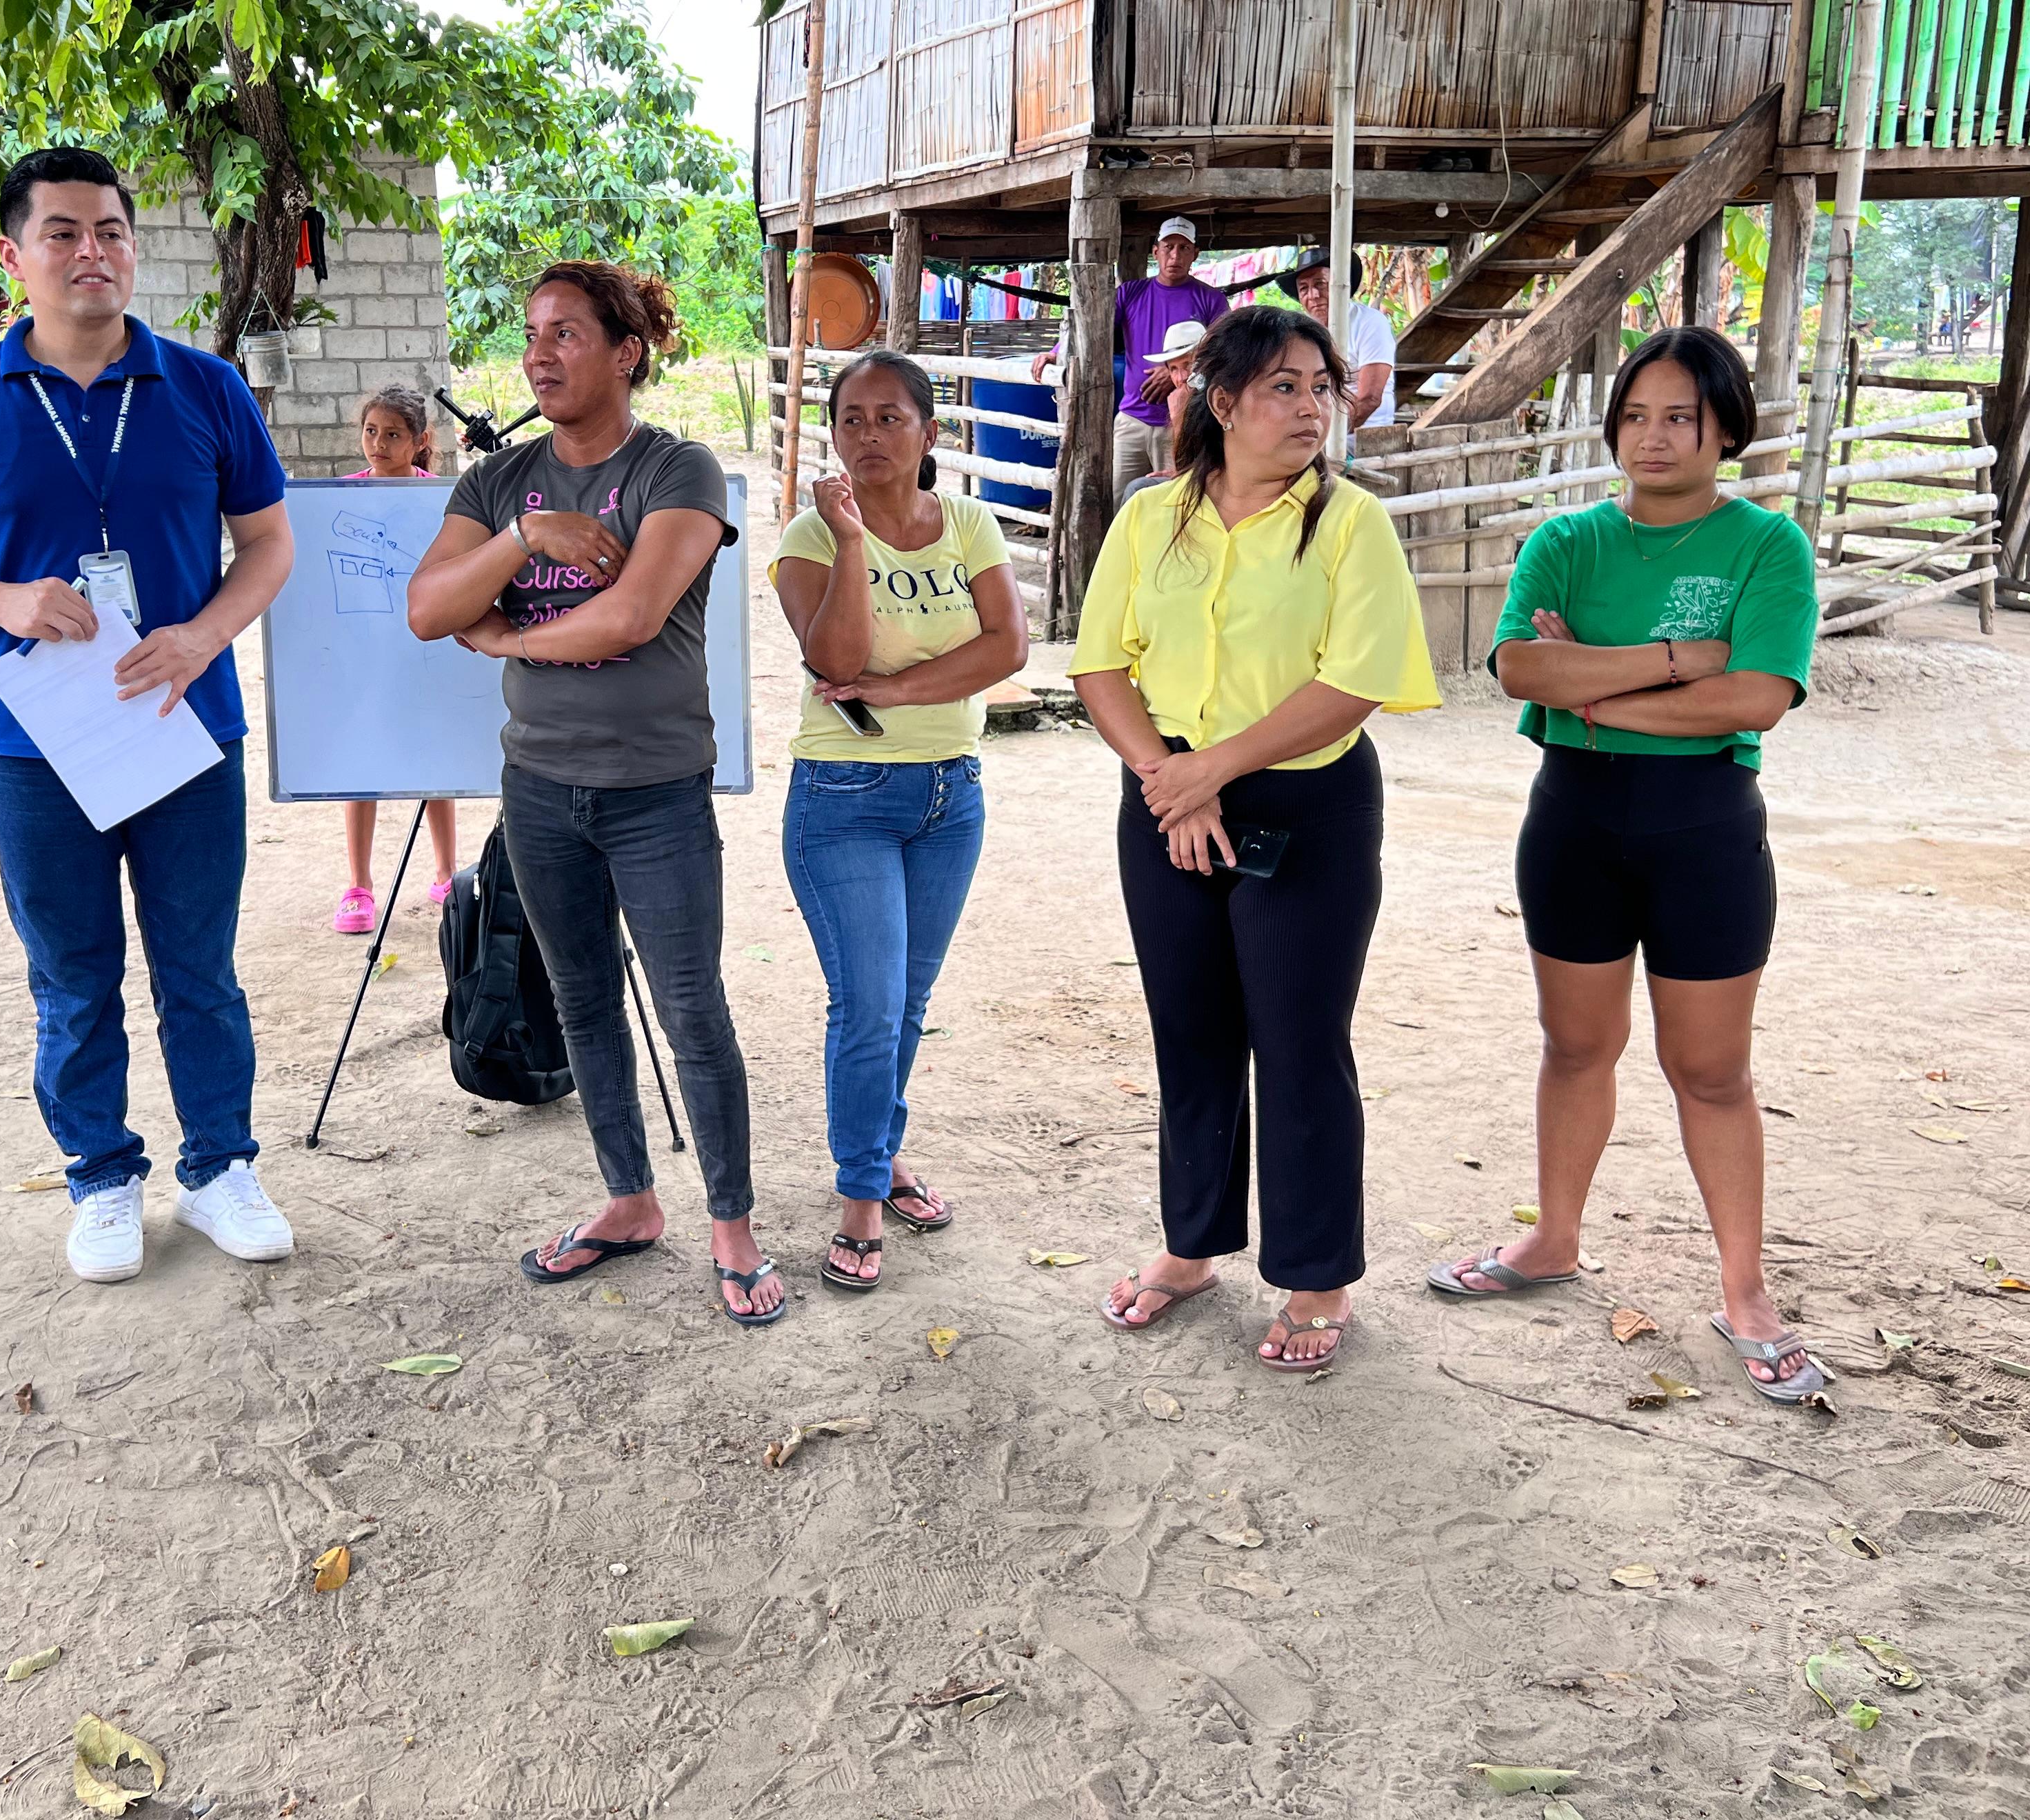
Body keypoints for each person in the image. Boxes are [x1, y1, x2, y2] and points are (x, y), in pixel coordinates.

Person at [0, 146, 297, 1283]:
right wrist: (0, 598)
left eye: (109, 229)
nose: (90, 251)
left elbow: (268, 545)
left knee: (200, 967)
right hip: (35, 744)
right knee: (72, 971)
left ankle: (219, 1168)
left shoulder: (205, 388)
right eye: (61, 232)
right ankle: (103, 1177)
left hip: (185, 725)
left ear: (133, 248)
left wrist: (203, 634)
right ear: (13, 258)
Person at [1425, 326, 1831, 1408]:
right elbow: (1521, 667)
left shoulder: (1767, 546)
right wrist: (1675, 664)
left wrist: (1594, 691)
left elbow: (1757, 698)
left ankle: (1746, 1292)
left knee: (1711, 1071)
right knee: (1575, 1046)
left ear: (1725, 430)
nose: (1653, 437)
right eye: (1636, 415)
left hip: (1705, 831)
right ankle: (1553, 1238)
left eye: (1680, 417)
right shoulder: (1566, 541)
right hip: (1574, 822)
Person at [405, 261, 785, 1326]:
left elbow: (631, 616)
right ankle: (629, 1201)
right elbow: (428, 608)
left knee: (691, 1008)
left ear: (626, 354)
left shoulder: (678, 470)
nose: (540, 353)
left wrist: (508, 638)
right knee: (581, 999)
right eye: (533, 334)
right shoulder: (500, 486)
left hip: (656, 792)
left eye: (566, 333)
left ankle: (732, 1225)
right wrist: (527, 538)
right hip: (539, 789)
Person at [1068, 305, 1439, 1372]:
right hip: (1165, 798)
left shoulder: (1350, 523)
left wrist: (1210, 773)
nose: (1313, 406)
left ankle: (1317, 1277)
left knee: (1299, 1042)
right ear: (1222, 402)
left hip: (1305, 804)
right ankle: (1191, 1248)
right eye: (1285, 386)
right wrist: (1171, 782)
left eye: (1323, 386)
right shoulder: (1151, 518)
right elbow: (1101, 665)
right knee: (1189, 1033)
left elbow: (1356, 681)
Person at [769, 350, 1029, 1293]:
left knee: (908, 1005)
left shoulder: (969, 523)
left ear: (929, 432)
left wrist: (898, 688)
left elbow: (1008, 647)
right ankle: (861, 1198)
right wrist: (850, 542)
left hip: (951, 794)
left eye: (890, 418)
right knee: (870, 1006)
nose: (869, 435)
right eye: (852, 419)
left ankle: (880, 1154)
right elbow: (834, 661)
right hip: (846, 796)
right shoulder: (808, 537)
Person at [331, 386, 459, 930]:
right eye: (370, 431)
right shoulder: (338, 499)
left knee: (434, 760)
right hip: (364, 654)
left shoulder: (443, 500)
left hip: (424, 648)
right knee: (363, 764)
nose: (378, 443)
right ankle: (359, 885)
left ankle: (447, 873)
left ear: (420, 440)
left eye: (392, 434)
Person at [1029, 217, 1228, 501]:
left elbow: (1223, 353)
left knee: (1177, 501)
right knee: (1118, 500)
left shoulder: (1211, 299)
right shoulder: (1131, 293)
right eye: (1169, 247)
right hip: (1132, 418)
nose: (1175, 255)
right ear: (1155, 251)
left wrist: (1176, 372)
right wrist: (1057, 351)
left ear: (1195, 254)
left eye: (1184, 248)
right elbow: (1092, 325)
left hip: (1182, 423)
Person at [1297, 247, 1398, 436]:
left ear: (1340, 285)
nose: (1313, 295)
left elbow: (1369, 399)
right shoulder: (1305, 331)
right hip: (1320, 428)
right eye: (1304, 288)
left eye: (1321, 284)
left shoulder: (1370, 322)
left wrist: (1329, 438)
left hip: (1363, 433)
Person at [1117, 319, 1205, 508]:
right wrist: (1177, 473)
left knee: (1139, 489)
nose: (1181, 378)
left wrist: (1178, 415)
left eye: (1188, 365)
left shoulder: (1218, 399)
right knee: (1138, 491)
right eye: (1173, 369)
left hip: (1219, 488)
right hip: (1198, 478)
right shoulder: (1187, 401)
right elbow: (1184, 466)